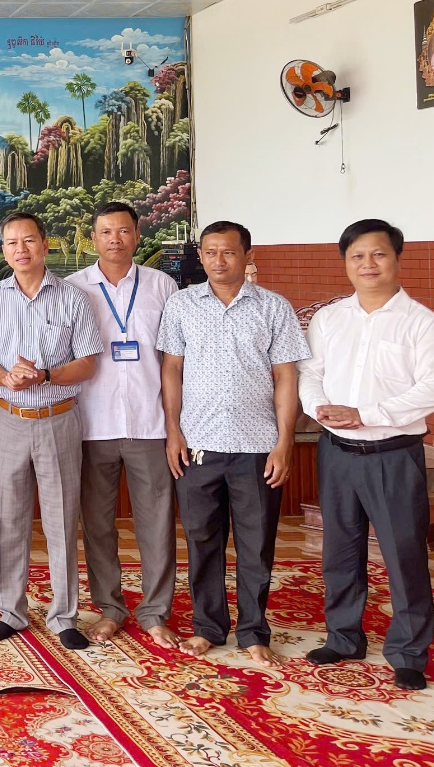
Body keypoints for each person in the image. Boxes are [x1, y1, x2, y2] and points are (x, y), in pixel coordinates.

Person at [159, 220, 309, 669]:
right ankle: (208, 627)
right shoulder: (181, 304)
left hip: (258, 446)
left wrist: (285, 442)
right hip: (197, 445)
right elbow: (171, 369)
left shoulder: (274, 308)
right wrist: (173, 429)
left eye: (228, 252)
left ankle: (253, 632)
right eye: (210, 252)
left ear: (247, 256)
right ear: (200, 256)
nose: (218, 261)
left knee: (256, 543)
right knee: (202, 541)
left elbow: (286, 376)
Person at [299, 219, 434, 691]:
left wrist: (366, 415)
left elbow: (433, 387)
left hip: (393, 455)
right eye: (357, 256)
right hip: (336, 452)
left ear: (397, 258)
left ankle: (409, 653)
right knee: (340, 550)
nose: (368, 264)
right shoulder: (329, 318)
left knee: (404, 554)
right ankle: (343, 638)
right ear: (345, 262)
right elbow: (310, 373)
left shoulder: (423, 323)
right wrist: (319, 409)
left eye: (378, 254)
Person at [0, 212, 102, 651]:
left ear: (45, 245)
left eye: (29, 240)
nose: (21, 249)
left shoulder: (73, 298)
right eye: (12, 242)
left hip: (57, 418)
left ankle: (64, 616)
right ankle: (10, 611)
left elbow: (88, 362)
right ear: (4, 250)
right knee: (9, 518)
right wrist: (6, 377)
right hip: (9, 419)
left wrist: (45, 375)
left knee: (62, 520)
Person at [66, 203, 181, 647]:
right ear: (93, 238)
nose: (115, 239)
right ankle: (110, 608)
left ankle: (155, 612)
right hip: (91, 423)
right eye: (105, 231)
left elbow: (174, 360)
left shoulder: (162, 285)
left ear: (137, 234)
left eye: (123, 230)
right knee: (97, 524)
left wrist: (175, 426)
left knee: (157, 522)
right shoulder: (74, 288)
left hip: (150, 422)